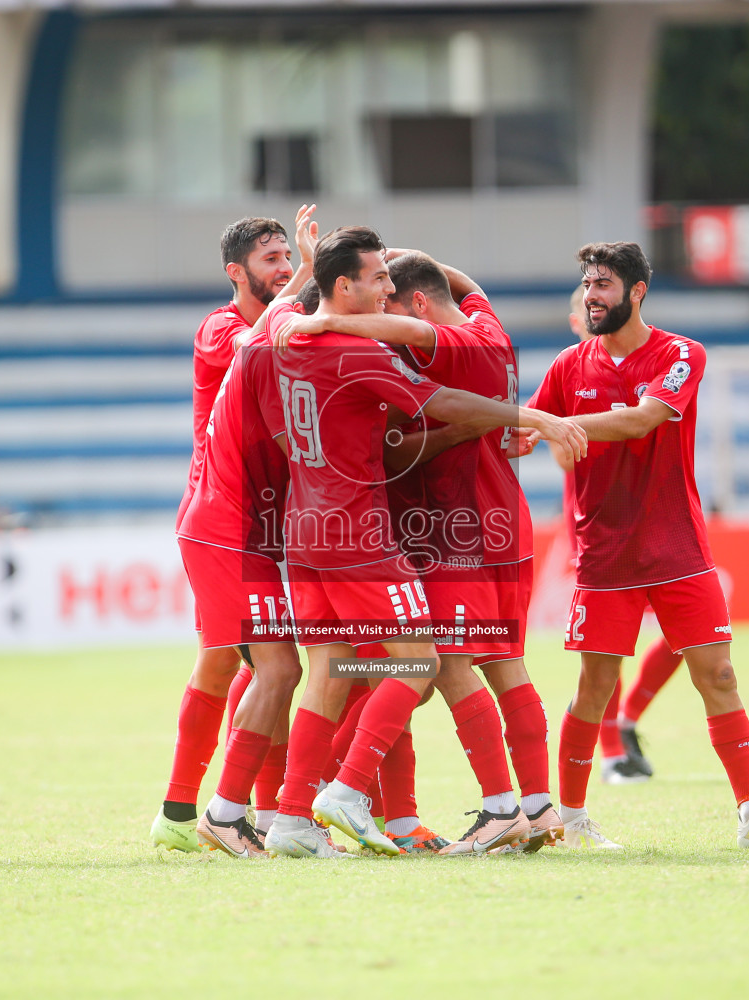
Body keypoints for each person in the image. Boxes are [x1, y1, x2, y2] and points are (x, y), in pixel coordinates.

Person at [262, 226, 588, 857]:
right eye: (374, 280)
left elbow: (413, 396)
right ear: (347, 286)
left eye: (391, 281)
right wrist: (529, 417)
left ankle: (299, 813)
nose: (383, 296)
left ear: (413, 298)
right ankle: (482, 805)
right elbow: (447, 352)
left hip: (360, 528)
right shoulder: (482, 326)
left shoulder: (283, 341)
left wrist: (315, 295)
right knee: (433, 662)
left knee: (362, 670)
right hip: (424, 528)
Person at [525, 242, 749, 850]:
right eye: (586, 285)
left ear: (637, 291)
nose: (591, 296)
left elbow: (641, 418)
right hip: (603, 554)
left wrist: (557, 425)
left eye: (603, 284)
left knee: (720, 675)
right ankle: (571, 822)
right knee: (593, 690)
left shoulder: (681, 353)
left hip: (678, 548)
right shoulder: (567, 366)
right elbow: (527, 430)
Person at [152, 207, 314, 852]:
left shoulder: (289, 319)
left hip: (258, 525)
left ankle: (181, 816)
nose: (281, 270)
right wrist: (310, 271)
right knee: (275, 666)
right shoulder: (220, 330)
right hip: (225, 522)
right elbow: (262, 347)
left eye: (286, 258)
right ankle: (239, 813)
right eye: (271, 260)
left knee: (225, 663)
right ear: (236, 272)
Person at [566, 285, 681, 784]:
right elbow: (558, 444)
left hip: (659, 529)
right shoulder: (570, 373)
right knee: (604, 653)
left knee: (685, 638)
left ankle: (628, 719)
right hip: (599, 529)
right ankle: (612, 750)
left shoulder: (657, 360)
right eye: (582, 310)